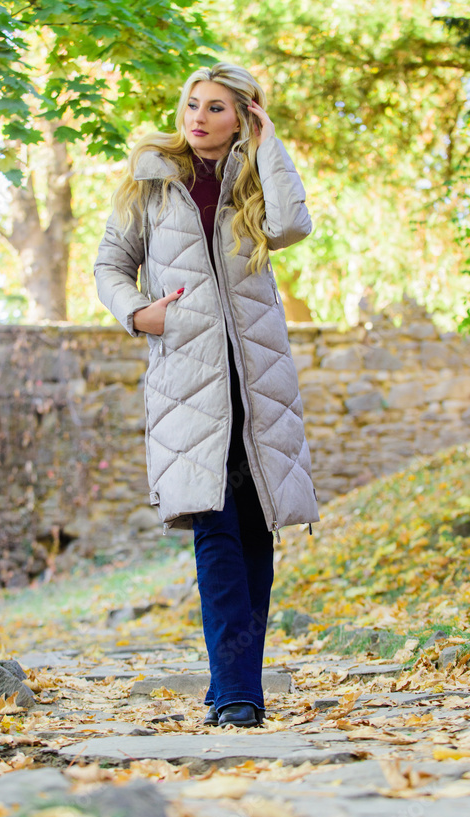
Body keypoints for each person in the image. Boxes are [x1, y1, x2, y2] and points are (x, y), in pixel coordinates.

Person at [94, 62, 319, 728]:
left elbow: (292, 224)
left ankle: (236, 681)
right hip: (188, 385)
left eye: (216, 107)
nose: (197, 117)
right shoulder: (150, 180)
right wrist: (138, 313)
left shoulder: (253, 180)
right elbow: (109, 265)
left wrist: (268, 142)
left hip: (257, 384)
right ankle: (234, 694)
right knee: (214, 531)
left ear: (243, 116)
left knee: (254, 533)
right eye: (192, 102)